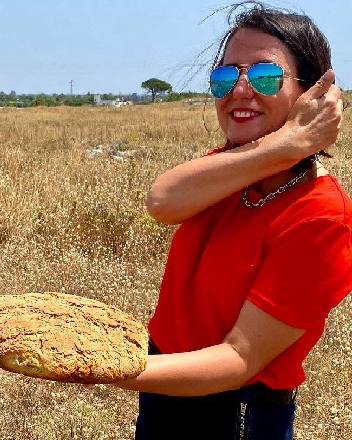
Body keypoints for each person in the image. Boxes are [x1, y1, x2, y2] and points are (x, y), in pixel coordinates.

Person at [115, 3, 352, 439]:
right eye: (225, 77)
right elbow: (162, 201)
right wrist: (284, 146)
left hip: (236, 411)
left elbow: (239, 358)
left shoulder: (321, 216)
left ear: (314, 94)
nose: (239, 90)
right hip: (164, 383)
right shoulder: (233, 169)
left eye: (265, 76)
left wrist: (107, 369)